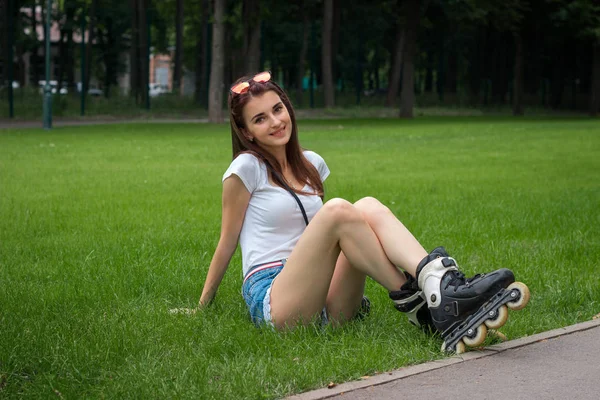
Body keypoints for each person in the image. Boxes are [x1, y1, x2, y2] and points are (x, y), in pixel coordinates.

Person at [196, 71, 529, 353]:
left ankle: (440, 285)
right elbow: (227, 242)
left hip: (321, 296)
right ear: (245, 132)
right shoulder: (246, 168)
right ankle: (429, 304)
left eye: (278, 109)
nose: (275, 121)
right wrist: (201, 308)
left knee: (365, 206)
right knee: (340, 211)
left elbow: (327, 241)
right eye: (260, 119)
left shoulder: (312, 164)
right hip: (275, 298)